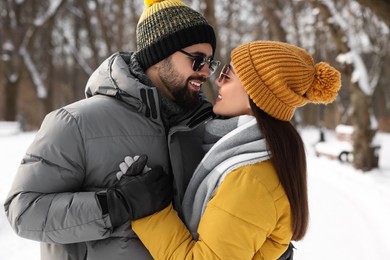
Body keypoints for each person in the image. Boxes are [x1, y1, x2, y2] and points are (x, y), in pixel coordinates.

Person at [3, 0, 219, 259]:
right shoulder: (76, 122)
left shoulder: (203, 125)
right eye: (197, 60)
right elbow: (24, 212)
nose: (206, 72)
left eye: (210, 61)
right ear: (160, 54)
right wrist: (116, 205)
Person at [119, 41, 342, 259]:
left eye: (228, 75)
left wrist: (150, 210)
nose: (218, 81)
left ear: (255, 94)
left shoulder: (250, 178)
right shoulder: (250, 155)